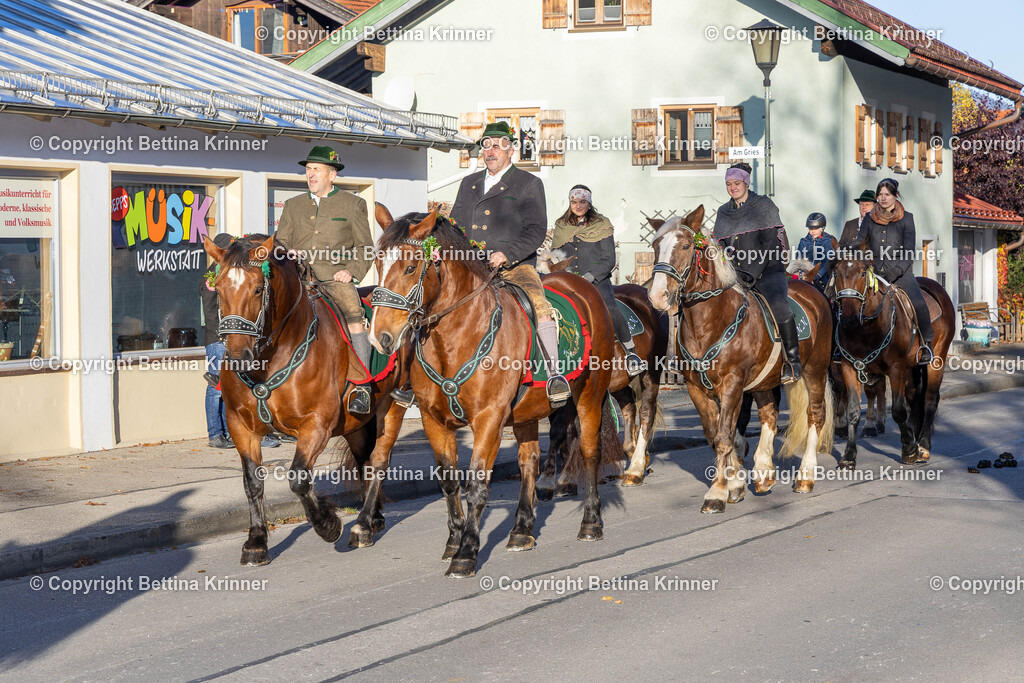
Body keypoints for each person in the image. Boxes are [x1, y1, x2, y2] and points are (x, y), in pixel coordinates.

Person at [450, 121, 570, 404]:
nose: (490, 151)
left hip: (515, 266)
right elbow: (454, 224)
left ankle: (554, 373)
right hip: (471, 264)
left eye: (497, 145)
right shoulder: (469, 183)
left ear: (511, 150)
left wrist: (507, 253)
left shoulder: (529, 183)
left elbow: (536, 229)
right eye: (486, 146)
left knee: (539, 304)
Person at [275, 146, 375, 414]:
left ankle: (362, 387)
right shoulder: (293, 205)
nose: (310, 174)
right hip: (296, 276)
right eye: (308, 169)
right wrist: (285, 251)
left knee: (354, 314)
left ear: (332, 175)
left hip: (334, 277)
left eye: (316, 169)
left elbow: (366, 248)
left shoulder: (353, 204)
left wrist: (351, 272)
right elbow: (280, 242)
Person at [713, 163, 802, 384]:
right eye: (728, 184)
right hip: (735, 275)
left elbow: (770, 243)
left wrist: (750, 274)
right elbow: (720, 246)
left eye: (736, 183)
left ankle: (792, 361)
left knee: (780, 307)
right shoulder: (723, 212)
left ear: (746, 183)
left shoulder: (763, 206)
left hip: (768, 271)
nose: (732, 188)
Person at [551, 185, 644, 376]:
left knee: (609, 309)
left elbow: (609, 259)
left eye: (582, 201)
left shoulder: (602, 223)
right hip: (568, 281)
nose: (578, 205)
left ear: (589, 203)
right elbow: (555, 256)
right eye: (574, 202)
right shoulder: (561, 224)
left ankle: (631, 353)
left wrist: (590, 276)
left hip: (597, 280)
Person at [201, 233, 279, 449]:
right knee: (217, 388)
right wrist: (224, 335)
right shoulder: (214, 277)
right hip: (219, 337)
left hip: (230, 335)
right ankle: (215, 434)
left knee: (233, 387)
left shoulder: (233, 274)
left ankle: (231, 430)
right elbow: (212, 310)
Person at [855, 178, 934, 363]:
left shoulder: (907, 218)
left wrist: (894, 271)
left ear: (895, 195)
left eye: (887, 195)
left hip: (900, 273)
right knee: (850, 299)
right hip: (873, 273)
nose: (883, 198)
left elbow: (908, 252)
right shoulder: (869, 218)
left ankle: (927, 345)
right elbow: (860, 243)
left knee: (919, 304)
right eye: (880, 195)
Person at [796, 212, 836, 292]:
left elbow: (827, 261)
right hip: (806, 275)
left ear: (822, 228)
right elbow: (799, 259)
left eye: (816, 229)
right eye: (811, 229)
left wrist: (817, 275)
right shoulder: (803, 242)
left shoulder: (828, 241)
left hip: (822, 277)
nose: (813, 231)